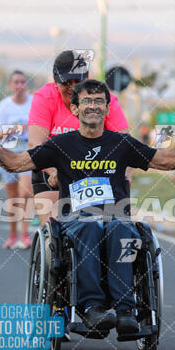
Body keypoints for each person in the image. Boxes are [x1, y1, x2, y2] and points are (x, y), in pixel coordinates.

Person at [0, 79, 175, 334]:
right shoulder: (60, 145)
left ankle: (125, 311)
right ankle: (92, 307)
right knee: (89, 226)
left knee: (121, 229)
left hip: (115, 216)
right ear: (75, 109)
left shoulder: (122, 143)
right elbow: (13, 162)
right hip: (75, 218)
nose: (93, 106)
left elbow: (167, 160)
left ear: (107, 108)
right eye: (87, 101)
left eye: (99, 101)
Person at [28, 50, 129, 225]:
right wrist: (56, 172)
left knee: (110, 226)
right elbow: (35, 144)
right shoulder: (45, 98)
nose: (73, 87)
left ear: (88, 77)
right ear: (54, 80)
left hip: (95, 170)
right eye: (66, 82)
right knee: (55, 225)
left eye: (78, 81)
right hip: (54, 170)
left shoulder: (105, 99)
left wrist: (122, 183)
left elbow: (125, 144)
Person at [0, 71, 33, 248]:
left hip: (27, 152)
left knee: (26, 193)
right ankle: (12, 234)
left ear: (27, 84)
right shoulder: (4, 106)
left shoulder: (34, 103)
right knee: (13, 197)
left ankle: (25, 234)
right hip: (8, 153)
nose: (20, 85)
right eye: (16, 82)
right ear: (10, 84)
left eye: (23, 82)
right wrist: (14, 129)